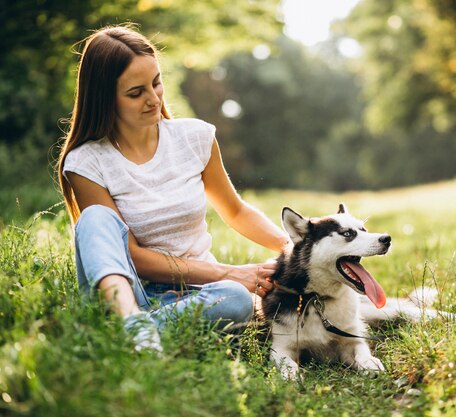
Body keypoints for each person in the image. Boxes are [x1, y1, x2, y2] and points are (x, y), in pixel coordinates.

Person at [57, 24, 289, 352]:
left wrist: (297, 247)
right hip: (128, 290)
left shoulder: (195, 138)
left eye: (156, 83)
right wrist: (229, 271)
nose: (153, 99)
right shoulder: (87, 162)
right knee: (94, 217)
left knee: (236, 298)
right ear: (105, 98)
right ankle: (130, 322)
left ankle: (133, 336)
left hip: (201, 292)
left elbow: (235, 210)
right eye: (135, 93)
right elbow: (133, 257)